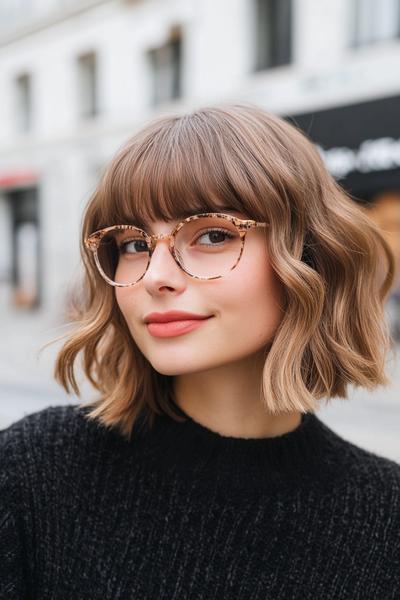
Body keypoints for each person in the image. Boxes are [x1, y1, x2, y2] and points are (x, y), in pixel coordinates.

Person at [1, 104, 399, 599]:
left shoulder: (383, 515)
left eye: (212, 235)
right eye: (132, 244)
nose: (155, 276)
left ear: (309, 256)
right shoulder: (33, 472)